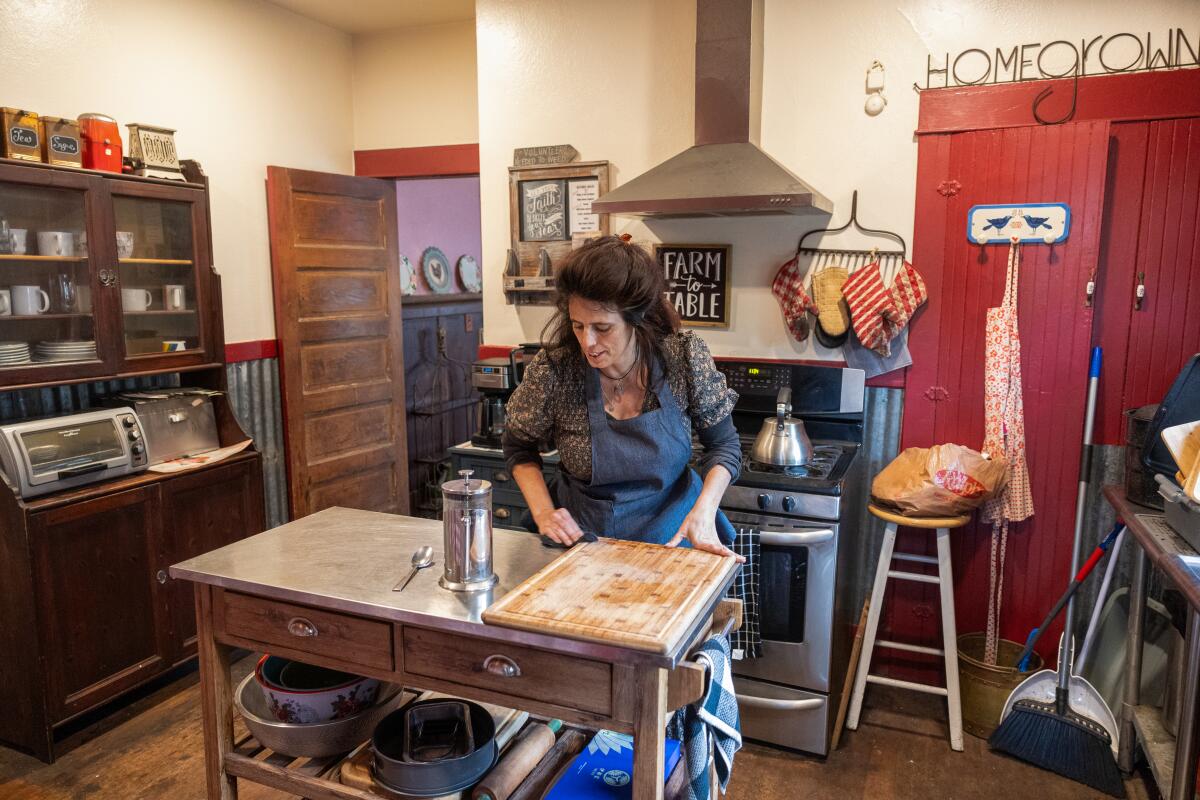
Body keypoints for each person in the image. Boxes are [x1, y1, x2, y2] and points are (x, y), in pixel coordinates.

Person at [502, 234, 744, 561]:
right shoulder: (556, 371)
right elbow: (518, 446)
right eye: (577, 325)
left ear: (636, 319)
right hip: (582, 548)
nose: (587, 342)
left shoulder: (683, 360)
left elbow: (724, 445)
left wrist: (703, 511)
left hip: (676, 541)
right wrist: (544, 512)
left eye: (602, 327)